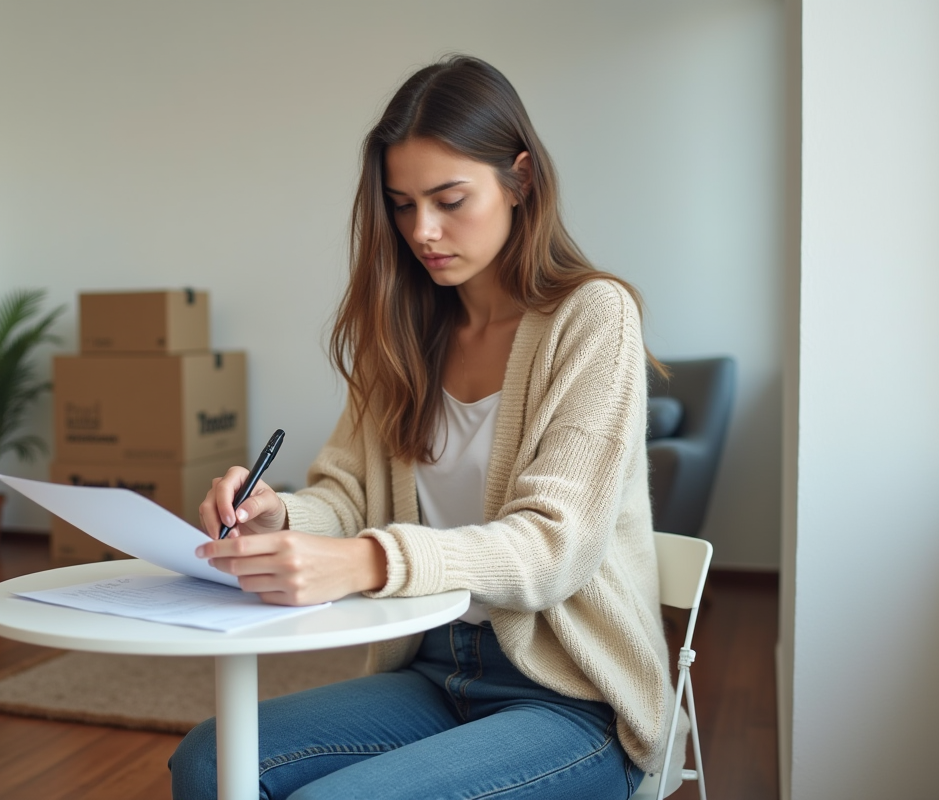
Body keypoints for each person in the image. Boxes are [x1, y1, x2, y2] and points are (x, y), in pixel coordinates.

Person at [171, 54, 681, 800]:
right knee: (208, 760)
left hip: (573, 696)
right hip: (434, 668)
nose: (423, 230)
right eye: (402, 204)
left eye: (449, 199)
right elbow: (347, 497)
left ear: (521, 178)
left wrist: (368, 562)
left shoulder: (592, 317)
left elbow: (555, 547)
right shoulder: (405, 330)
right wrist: (278, 510)